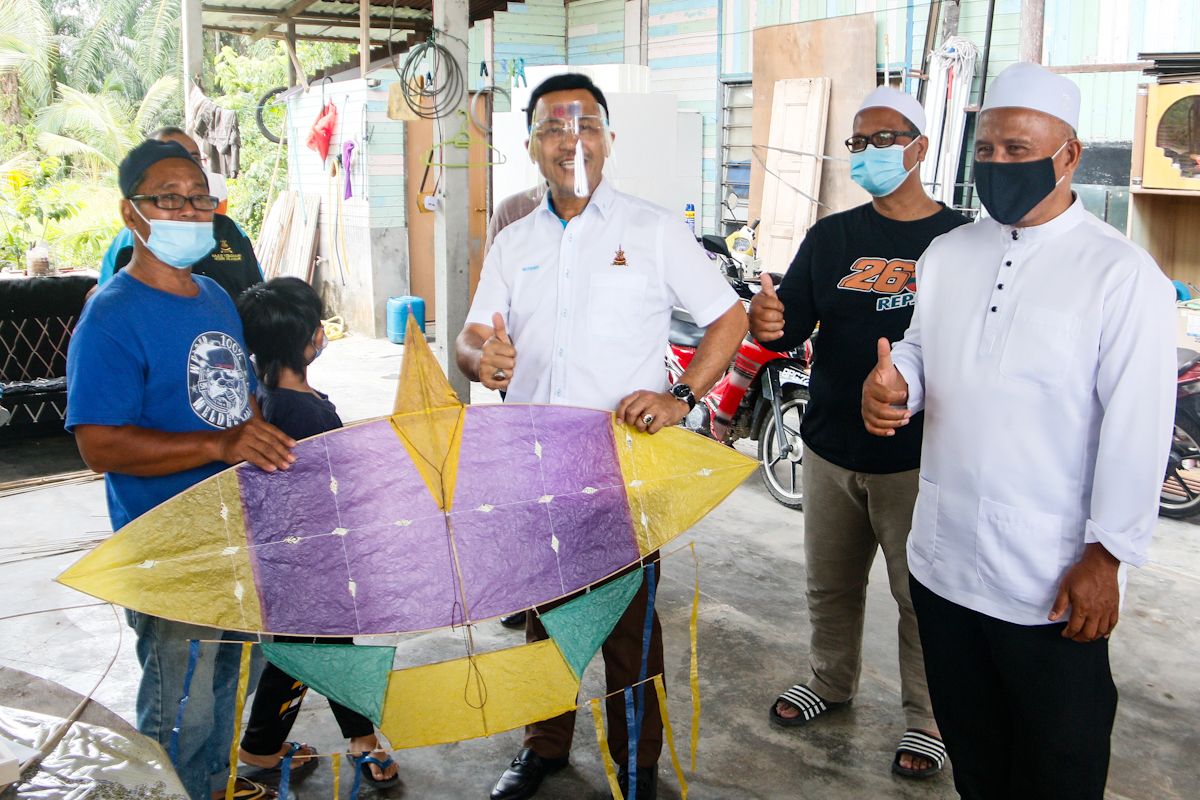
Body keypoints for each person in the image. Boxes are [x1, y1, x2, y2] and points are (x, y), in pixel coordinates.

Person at [861, 62, 1175, 799]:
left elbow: (1138, 427)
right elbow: (923, 348)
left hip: (1050, 578)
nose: (999, 164)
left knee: (1058, 763)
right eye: (987, 149)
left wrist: (1108, 555)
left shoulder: (1121, 275)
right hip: (942, 559)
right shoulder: (949, 253)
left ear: (1069, 156)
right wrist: (898, 385)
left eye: (1018, 150)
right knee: (976, 753)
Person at [456, 73, 747, 800]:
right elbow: (471, 335)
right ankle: (542, 745)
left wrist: (682, 396)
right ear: (532, 146)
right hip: (533, 469)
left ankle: (637, 767)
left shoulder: (652, 230)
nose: (571, 140)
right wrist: (478, 358)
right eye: (554, 128)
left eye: (586, 125)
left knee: (628, 627)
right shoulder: (514, 240)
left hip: (620, 469)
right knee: (546, 616)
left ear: (608, 140)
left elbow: (729, 317)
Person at [65, 140, 296, 800]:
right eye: (169, 199)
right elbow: (99, 446)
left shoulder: (215, 298)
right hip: (170, 549)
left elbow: (239, 399)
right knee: (181, 709)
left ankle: (212, 788)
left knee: (231, 683)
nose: (190, 211)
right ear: (131, 213)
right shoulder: (112, 316)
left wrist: (260, 443)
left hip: (237, 534)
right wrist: (218, 447)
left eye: (200, 198)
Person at [751, 86, 967, 778]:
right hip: (829, 445)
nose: (867, 152)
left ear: (919, 148)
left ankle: (927, 718)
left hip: (919, 457)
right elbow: (789, 324)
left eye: (883, 139)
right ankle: (830, 679)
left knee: (919, 598)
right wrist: (767, 322)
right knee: (831, 583)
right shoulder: (833, 237)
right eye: (858, 142)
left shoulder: (962, 242)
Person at [234, 277, 401, 791]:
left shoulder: (269, 397)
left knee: (309, 647)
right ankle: (356, 741)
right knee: (321, 648)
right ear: (307, 339)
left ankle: (264, 744)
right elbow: (329, 487)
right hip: (315, 555)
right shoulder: (300, 412)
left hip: (295, 555)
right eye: (317, 324)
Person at [96, 127, 262, 302]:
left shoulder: (230, 231)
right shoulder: (130, 240)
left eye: (193, 159)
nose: (184, 167)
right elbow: (110, 295)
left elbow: (258, 296)